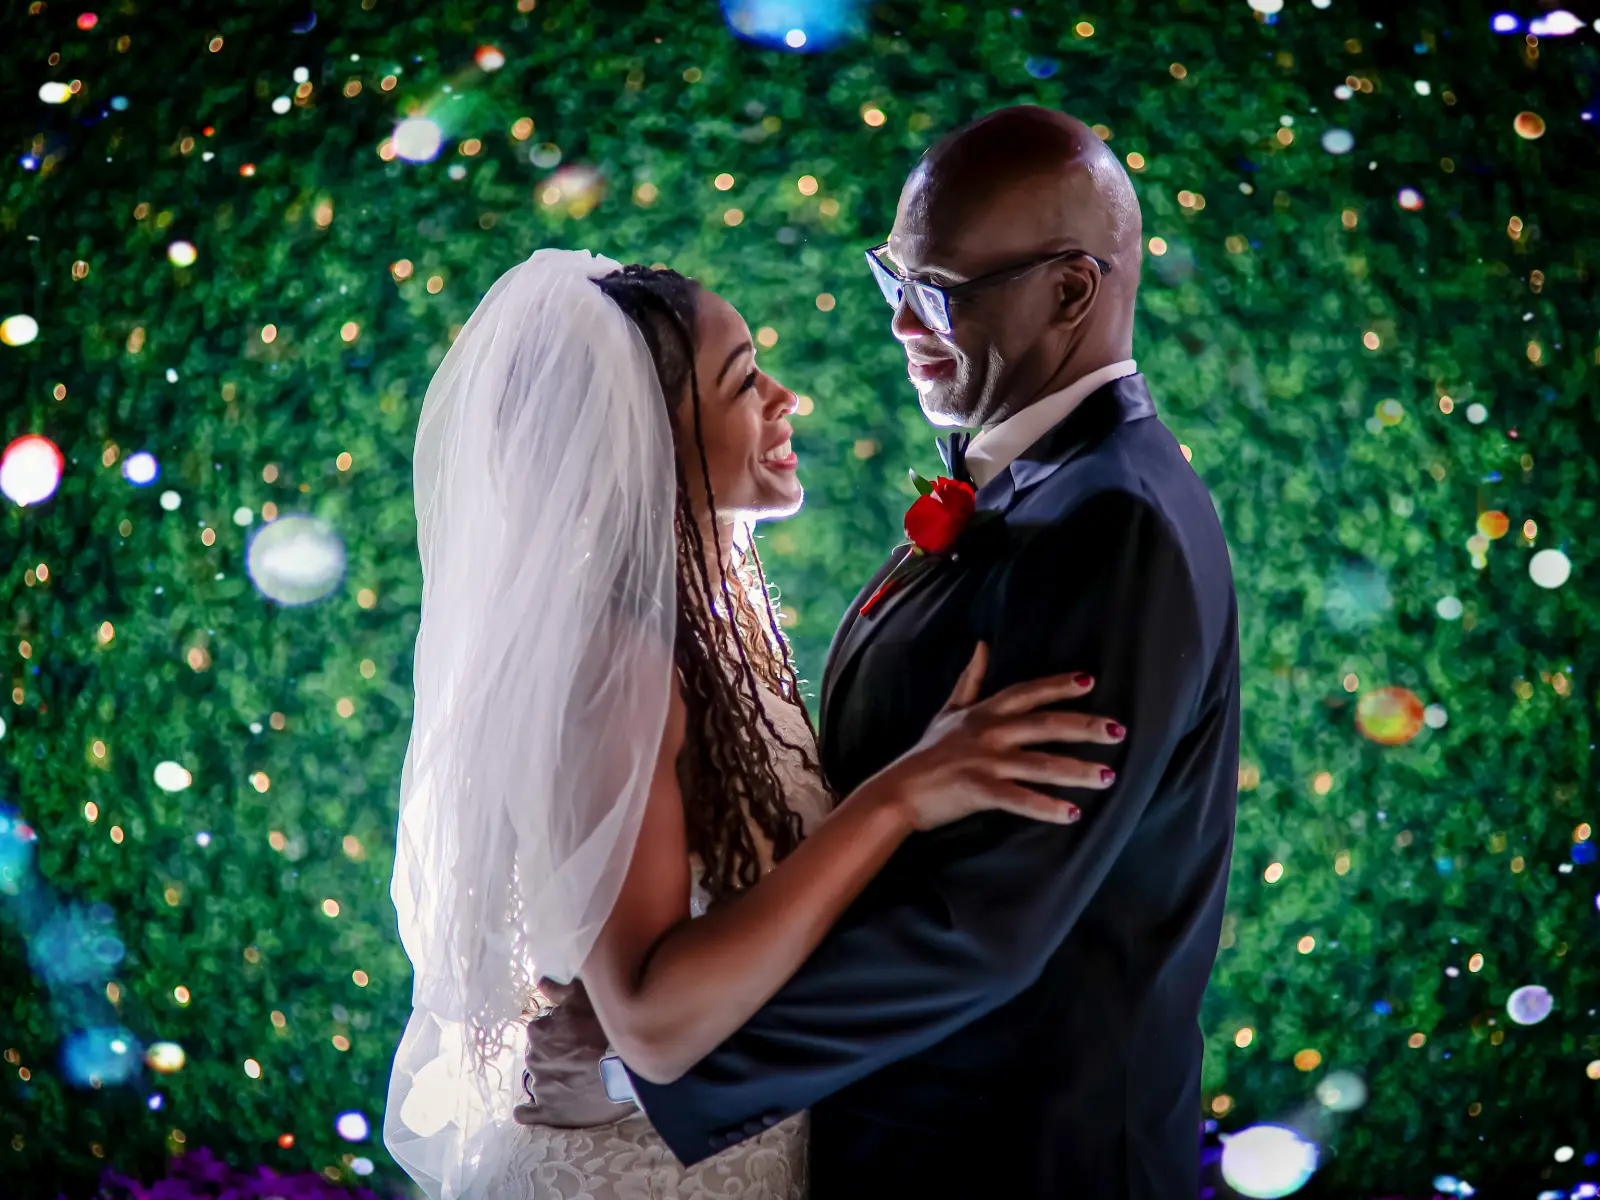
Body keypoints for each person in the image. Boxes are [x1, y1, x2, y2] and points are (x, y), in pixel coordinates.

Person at [382, 248, 1125, 1199]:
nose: (786, 399)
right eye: (742, 383)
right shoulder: (619, 662)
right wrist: (901, 797)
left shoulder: (710, 622)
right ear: (648, 438)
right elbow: (649, 1016)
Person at [623, 106, 1242, 1198]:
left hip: (1016, 1161)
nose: (903, 324)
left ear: (1068, 291)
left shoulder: (1114, 525)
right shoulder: (1017, 484)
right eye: (894, 280)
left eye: (939, 292)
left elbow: (984, 922)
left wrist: (668, 1076)